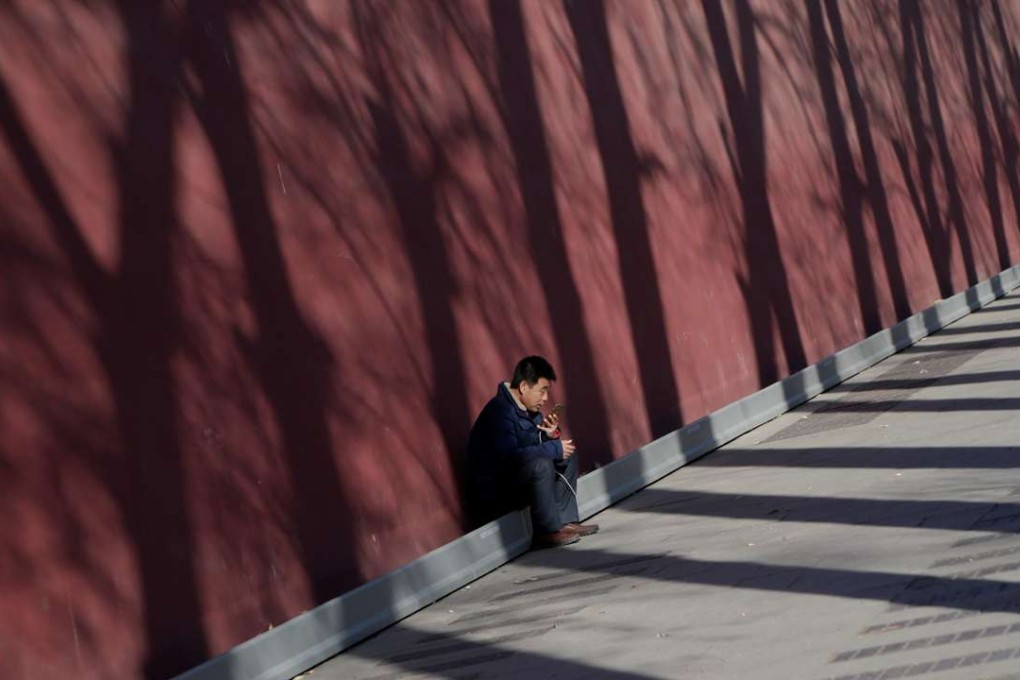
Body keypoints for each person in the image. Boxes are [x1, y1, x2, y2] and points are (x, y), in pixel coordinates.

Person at [467, 355, 599, 548]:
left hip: (520, 478)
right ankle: (546, 531)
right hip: (497, 489)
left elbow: (532, 446)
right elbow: (510, 457)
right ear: (523, 387)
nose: (545, 399)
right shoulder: (498, 412)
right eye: (542, 391)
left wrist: (549, 436)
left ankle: (566, 522)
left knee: (566, 453)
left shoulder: (530, 411)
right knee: (542, 462)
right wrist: (552, 448)